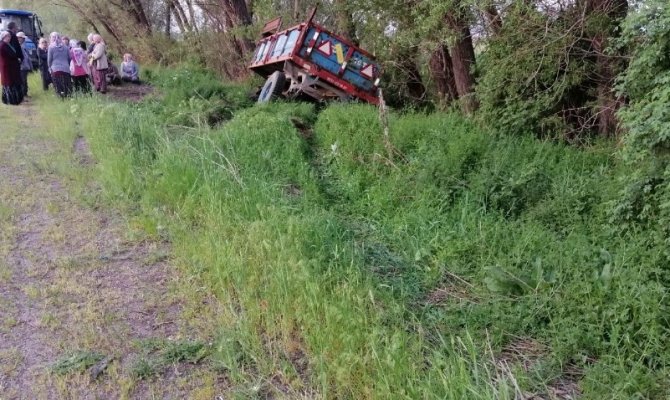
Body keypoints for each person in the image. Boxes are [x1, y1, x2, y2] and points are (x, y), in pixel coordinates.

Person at [0, 30, 24, 105]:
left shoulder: (7, 44)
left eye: (10, 36)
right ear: (4, 37)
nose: (9, 38)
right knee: (9, 84)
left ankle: (15, 99)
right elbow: (9, 55)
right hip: (7, 67)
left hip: (12, 67)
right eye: (8, 36)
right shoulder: (2, 45)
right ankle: (10, 100)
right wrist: (16, 58)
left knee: (13, 83)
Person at [47, 32, 72, 98]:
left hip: (55, 68)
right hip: (66, 68)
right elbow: (69, 58)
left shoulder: (51, 47)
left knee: (57, 84)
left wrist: (49, 67)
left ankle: (60, 97)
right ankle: (67, 96)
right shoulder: (66, 47)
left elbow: (49, 59)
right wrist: (68, 65)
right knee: (66, 84)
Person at [17, 32, 33, 97]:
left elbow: (27, 57)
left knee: (24, 80)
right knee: (22, 81)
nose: (23, 39)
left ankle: (25, 94)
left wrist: (30, 66)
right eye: (22, 38)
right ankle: (22, 95)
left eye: (23, 38)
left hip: (25, 67)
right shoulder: (17, 46)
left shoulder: (23, 46)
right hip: (21, 67)